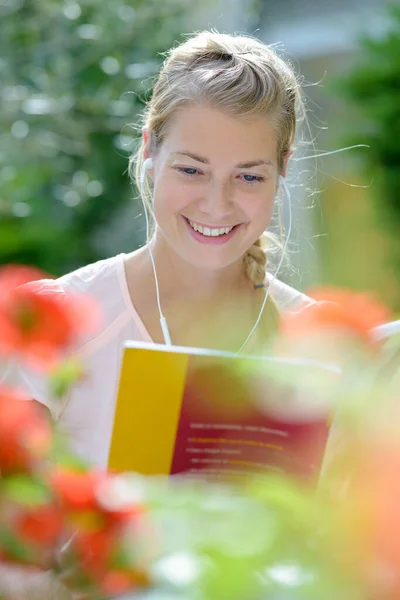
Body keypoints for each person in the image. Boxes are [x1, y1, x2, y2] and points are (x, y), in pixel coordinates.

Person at [12, 30, 317, 472]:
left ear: (283, 167)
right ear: (150, 147)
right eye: (192, 170)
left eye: (248, 177)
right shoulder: (59, 324)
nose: (216, 204)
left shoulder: (315, 342)